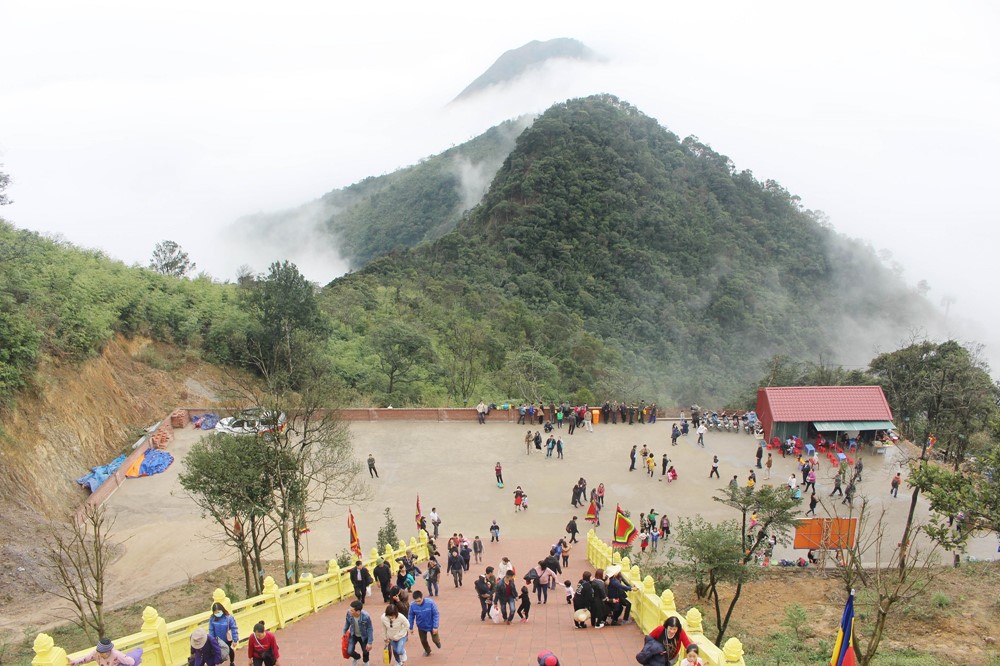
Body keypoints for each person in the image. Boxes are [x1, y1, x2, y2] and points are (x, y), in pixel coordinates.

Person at [407, 590, 442, 657]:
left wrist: (435, 626)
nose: (418, 603)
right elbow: (411, 616)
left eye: (419, 601)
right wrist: (411, 627)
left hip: (431, 625)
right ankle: (427, 650)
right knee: (423, 640)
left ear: (422, 597)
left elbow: (436, 614)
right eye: (416, 601)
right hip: (421, 626)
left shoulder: (430, 602)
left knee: (435, 639)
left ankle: (437, 642)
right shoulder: (412, 605)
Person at [343, 600, 374, 666]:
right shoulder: (349, 613)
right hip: (353, 635)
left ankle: (365, 661)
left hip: (364, 636)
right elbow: (347, 622)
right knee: (349, 651)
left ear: (358, 611)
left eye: (352, 610)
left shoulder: (366, 616)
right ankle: (357, 657)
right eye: (350, 609)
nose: (350, 611)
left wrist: (370, 642)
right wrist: (344, 631)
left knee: (365, 651)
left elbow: (370, 629)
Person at [70, 638, 141, 666]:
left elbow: (131, 662)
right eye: (98, 652)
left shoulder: (117, 655)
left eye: (101, 653)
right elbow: (85, 659)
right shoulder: (96, 653)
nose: (99, 654)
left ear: (108, 652)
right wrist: (74, 662)